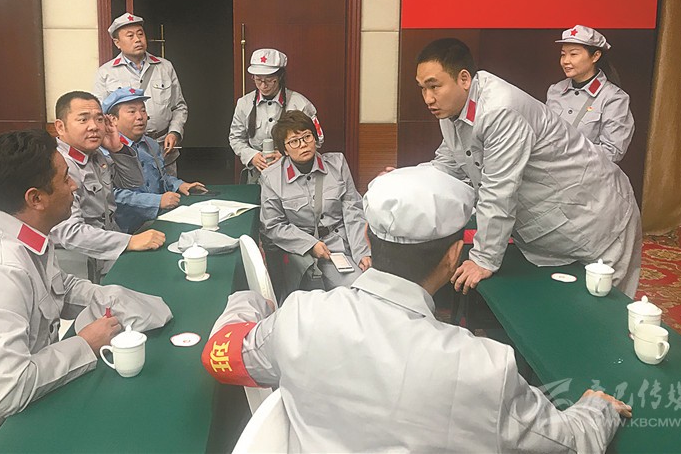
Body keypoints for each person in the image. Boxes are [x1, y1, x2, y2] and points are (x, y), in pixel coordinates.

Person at [201, 166, 631, 453]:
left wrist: (251, 299)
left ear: (367, 238)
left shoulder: (299, 317)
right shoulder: (481, 367)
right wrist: (598, 411)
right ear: (454, 256)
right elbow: (567, 443)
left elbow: (219, 356)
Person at [0, 130, 166, 446]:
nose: (74, 185)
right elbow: (7, 391)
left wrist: (115, 299)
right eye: (65, 179)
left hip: (3, 408)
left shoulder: (18, 228)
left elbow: (58, 287)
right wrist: (85, 343)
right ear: (35, 199)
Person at [416, 38, 642, 297]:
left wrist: (484, 259)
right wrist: (405, 180)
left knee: (605, 308)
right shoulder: (451, 109)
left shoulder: (500, 109)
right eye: (422, 88)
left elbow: (499, 190)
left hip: (598, 215)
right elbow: (445, 166)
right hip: (553, 223)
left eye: (434, 86)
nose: (428, 98)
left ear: (464, 79)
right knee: (563, 306)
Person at [53, 91, 164, 279]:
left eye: (99, 119)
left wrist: (117, 150)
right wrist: (129, 242)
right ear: (60, 127)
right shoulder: (58, 166)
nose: (94, 127)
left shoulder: (95, 156)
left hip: (107, 251)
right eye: (83, 120)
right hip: (78, 262)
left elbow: (133, 183)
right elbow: (69, 233)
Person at [260, 110, 370, 295]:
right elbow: (273, 226)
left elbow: (353, 211)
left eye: (307, 137)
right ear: (284, 150)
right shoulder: (271, 178)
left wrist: (363, 253)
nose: (303, 144)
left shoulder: (337, 164)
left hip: (342, 245)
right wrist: (310, 245)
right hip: (301, 252)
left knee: (365, 288)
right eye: (294, 141)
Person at [94, 12, 188, 176]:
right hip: (126, 152)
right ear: (117, 42)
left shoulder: (165, 67)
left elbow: (179, 107)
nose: (137, 39)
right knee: (132, 190)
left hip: (163, 149)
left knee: (168, 188)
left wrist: (175, 132)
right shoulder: (106, 72)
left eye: (140, 34)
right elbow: (100, 114)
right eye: (130, 36)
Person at [103, 86, 206, 233]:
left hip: (159, 220)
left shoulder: (150, 144)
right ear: (113, 119)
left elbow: (160, 177)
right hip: (126, 230)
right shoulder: (105, 151)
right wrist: (156, 201)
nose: (140, 117)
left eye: (143, 110)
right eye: (132, 112)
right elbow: (110, 195)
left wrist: (180, 185)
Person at [229, 48, 323, 184]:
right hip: (257, 174)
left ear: (280, 77)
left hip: (293, 174)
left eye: (269, 80)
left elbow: (318, 138)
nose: (263, 85)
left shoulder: (300, 103)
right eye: (258, 80)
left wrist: (287, 153)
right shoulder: (244, 104)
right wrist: (252, 156)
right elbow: (235, 138)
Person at [546, 25, 635, 162]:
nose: (566, 61)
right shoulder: (555, 91)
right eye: (563, 54)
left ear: (595, 56)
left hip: (586, 174)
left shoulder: (614, 98)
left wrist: (568, 159)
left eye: (573, 54)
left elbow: (612, 152)